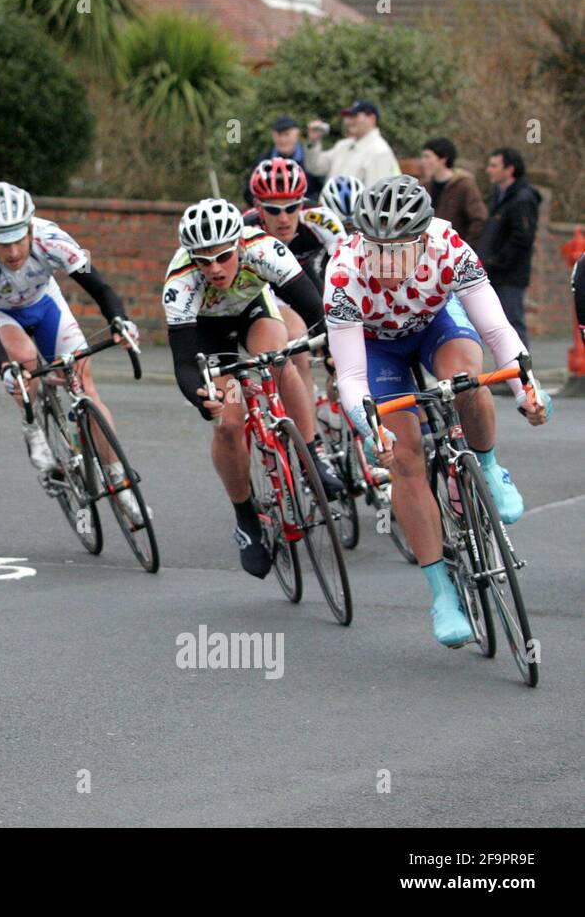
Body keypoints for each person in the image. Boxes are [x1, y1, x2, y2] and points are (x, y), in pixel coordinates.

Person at [323, 175, 550, 648]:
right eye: (376, 247)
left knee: (467, 382)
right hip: (377, 352)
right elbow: (350, 379)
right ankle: (442, 593)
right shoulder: (343, 272)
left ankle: (488, 467)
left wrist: (528, 386)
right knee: (404, 459)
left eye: (398, 249)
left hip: (435, 327)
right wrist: (372, 431)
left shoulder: (450, 247)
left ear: (423, 238)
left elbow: (497, 330)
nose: (384, 261)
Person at [164, 198, 341, 580]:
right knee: (228, 424)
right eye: (202, 260)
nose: (213, 268)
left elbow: (314, 312)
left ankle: (312, 456)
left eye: (223, 257)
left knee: (280, 359)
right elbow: (182, 361)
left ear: (240, 245)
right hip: (209, 335)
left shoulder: (264, 250)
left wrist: (334, 354)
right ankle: (246, 518)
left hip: (253, 313)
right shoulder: (180, 281)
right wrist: (202, 396)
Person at [0, 182, 141, 516]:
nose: (12, 251)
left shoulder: (52, 239)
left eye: (18, 239)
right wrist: (4, 368)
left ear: (30, 229)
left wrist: (120, 321)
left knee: (85, 386)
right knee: (25, 361)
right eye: (2, 242)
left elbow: (99, 287)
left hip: (45, 304)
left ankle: (119, 479)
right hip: (4, 316)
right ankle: (33, 427)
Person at [242, 158, 345, 406]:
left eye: (292, 208)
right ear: (258, 206)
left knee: (337, 327)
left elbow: (345, 268)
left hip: (306, 275)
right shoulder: (246, 229)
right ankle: (309, 433)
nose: (284, 218)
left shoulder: (322, 220)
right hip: (267, 286)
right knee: (297, 341)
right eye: (274, 210)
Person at [475, 147, 539, 349]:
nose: (488, 170)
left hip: (510, 275)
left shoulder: (522, 199)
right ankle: (507, 371)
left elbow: (522, 238)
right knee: (497, 325)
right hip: (494, 272)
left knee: (512, 322)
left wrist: (497, 260)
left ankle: (521, 374)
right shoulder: (499, 197)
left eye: (494, 165)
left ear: (509, 169)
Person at [304, 100, 401, 187]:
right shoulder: (343, 145)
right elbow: (316, 167)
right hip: (331, 206)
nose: (348, 121)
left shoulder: (379, 152)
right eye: (348, 117)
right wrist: (313, 142)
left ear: (372, 118)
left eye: (354, 116)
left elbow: (375, 199)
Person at [241, 115, 322, 207]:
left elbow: (321, 189)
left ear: (297, 134)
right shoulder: (262, 161)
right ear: (273, 136)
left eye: (287, 134)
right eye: (279, 135)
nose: (282, 140)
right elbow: (249, 191)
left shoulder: (310, 157)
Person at [418, 137, 486, 245]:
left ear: (443, 159)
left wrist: (465, 246)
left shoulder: (464, 185)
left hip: (455, 250)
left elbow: (479, 219)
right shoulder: (424, 186)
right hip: (429, 250)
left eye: (427, 157)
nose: (423, 162)